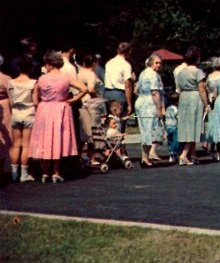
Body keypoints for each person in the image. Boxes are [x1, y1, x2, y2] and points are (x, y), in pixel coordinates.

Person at [28, 50, 89, 183]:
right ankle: (56, 172)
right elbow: (85, 89)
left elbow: (35, 94)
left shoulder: (42, 78)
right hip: (61, 107)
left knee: (44, 139)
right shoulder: (66, 78)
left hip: (45, 109)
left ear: (50, 64)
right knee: (58, 139)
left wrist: (38, 104)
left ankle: (45, 172)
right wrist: (74, 99)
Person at [176, 46, 209, 165]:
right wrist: (206, 104)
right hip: (194, 97)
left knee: (187, 126)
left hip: (184, 97)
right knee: (194, 126)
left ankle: (193, 154)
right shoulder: (198, 71)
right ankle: (184, 154)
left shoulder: (181, 72)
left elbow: (178, 88)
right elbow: (202, 90)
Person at [7, 55, 37, 182]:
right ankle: (24, 173)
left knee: (16, 145)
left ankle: (14, 173)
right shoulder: (33, 83)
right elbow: (35, 101)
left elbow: (10, 100)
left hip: (15, 112)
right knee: (25, 145)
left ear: (18, 67)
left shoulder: (11, 82)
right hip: (28, 113)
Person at [135, 54, 165, 167]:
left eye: (160, 63)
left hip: (141, 101)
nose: (159, 65)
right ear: (151, 62)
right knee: (148, 129)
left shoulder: (143, 73)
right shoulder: (153, 75)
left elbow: (136, 90)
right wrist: (159, 108)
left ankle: (146, 156)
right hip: (149, 103)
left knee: (145, 130)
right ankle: (145, 158)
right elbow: (155, 92)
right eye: (156, 63)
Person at [104, 42, 134, 132]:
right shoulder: (126, 65)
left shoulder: (109, 63)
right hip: (119, 93)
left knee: (110, 120)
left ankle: (109, 142)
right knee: (120, 122)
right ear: (129, 52)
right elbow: (127, 85)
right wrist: (129, 104)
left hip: (107, 92)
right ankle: (119, 143)